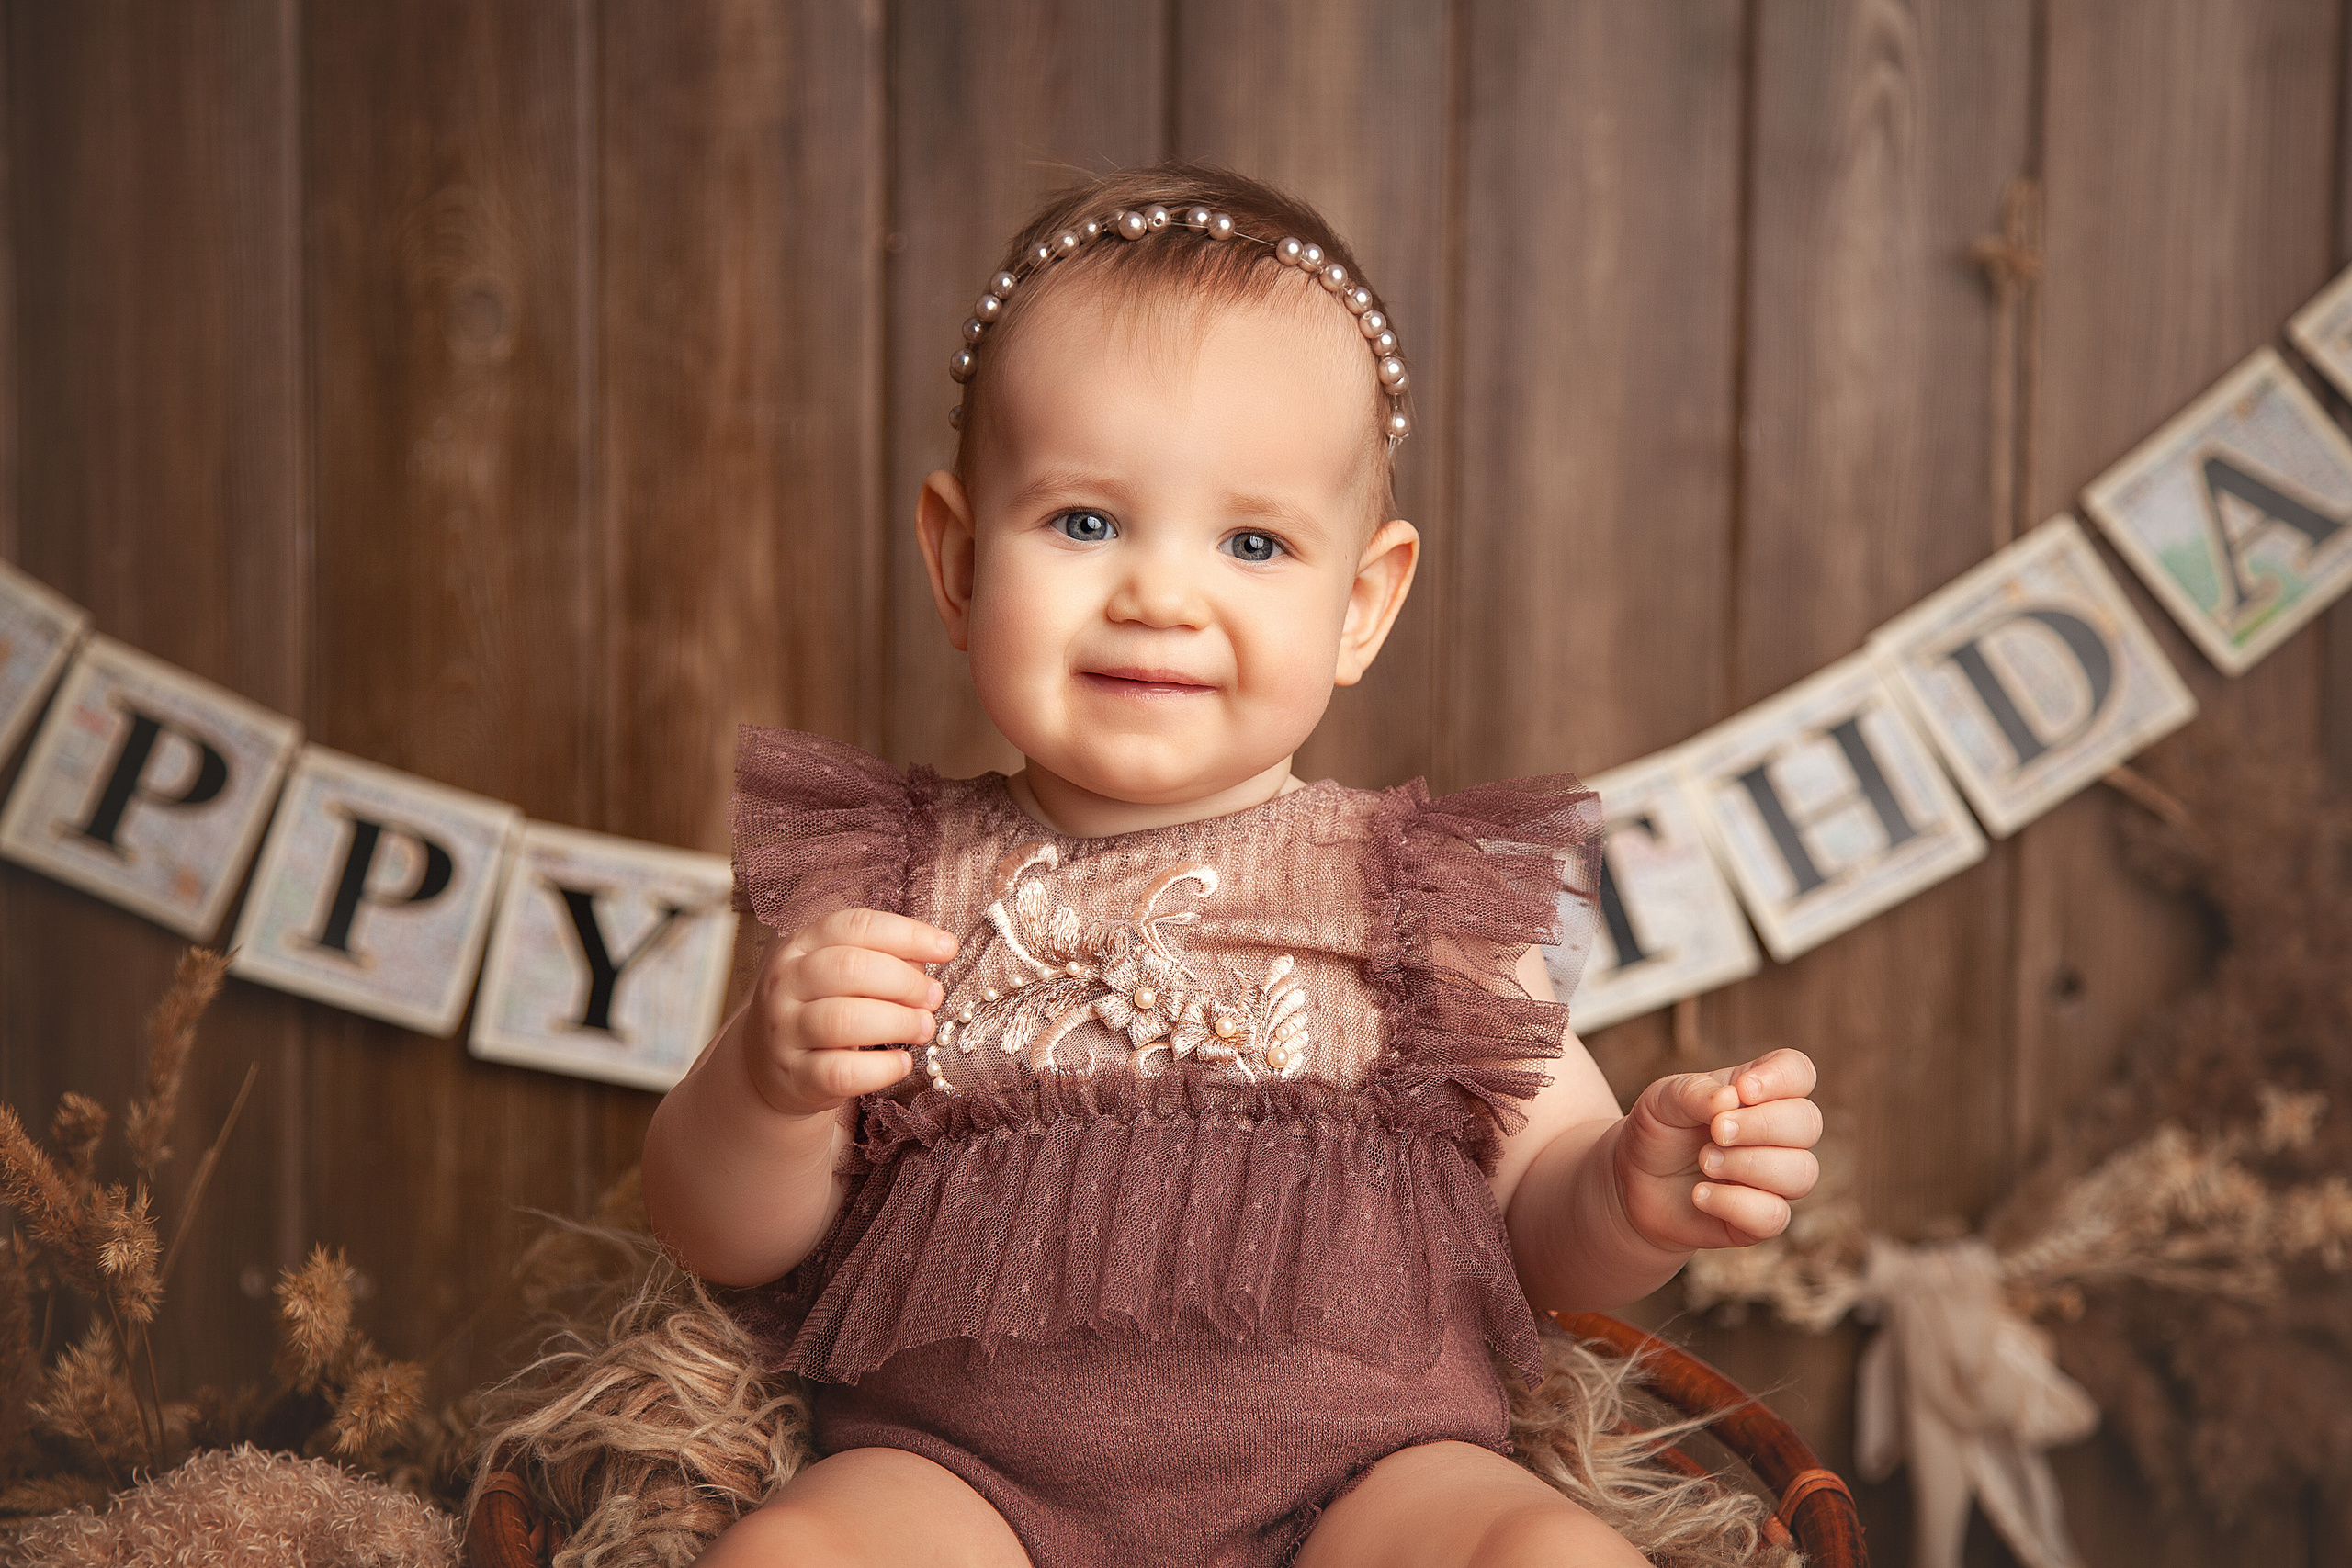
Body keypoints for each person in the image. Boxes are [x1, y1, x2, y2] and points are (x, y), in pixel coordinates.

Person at [643, 164, 1821, 1568]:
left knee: (1545, 1558)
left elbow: (1539, 1232)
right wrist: (767, 1088)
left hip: (1371, 1483)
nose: (1161, 594)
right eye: (1085, 523)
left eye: (1253, 542)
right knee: (793, 1560)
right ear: (957, 563)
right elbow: (724, 1238)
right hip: (959, 1484)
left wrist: (1629, 1193)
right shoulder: (893, 878)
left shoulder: (1418, 893)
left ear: (1360, 604)